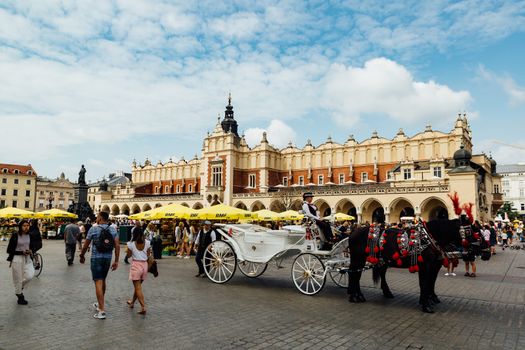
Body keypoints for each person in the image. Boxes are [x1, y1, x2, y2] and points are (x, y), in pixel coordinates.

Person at [79, 211, 120, 320]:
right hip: (107, 258)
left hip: (96, 258)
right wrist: (116, 261)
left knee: (98, 281)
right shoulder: (113, 229)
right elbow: (117, 245)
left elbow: (86, 244)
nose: (96, 218)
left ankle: (101, 310)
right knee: (103, 280)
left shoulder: (93, 229)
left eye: (97, 217)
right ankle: (99, 303)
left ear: (101, 218)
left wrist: (81, 255)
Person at [6, 220, 39, 305]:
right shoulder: (15, 235)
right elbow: (9, 250)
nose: (26, 227)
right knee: (18, 278)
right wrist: (21, 252)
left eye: (27, 225)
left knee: (29, 276)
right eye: (24, 225)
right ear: (20, 227)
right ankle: (20, 296)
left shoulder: (30, 235)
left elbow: (33, 246)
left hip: (28, 258)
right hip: (17, 259)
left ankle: (19, 289)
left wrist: (31, 250)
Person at [126, 227, 151, 315]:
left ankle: (143, 307)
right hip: (145, 266)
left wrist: (130, 251)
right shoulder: (147, 242)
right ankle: (132, 302)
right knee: (138, 287)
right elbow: (148, 255)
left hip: (136, 266)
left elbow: (128, 256)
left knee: (138, 287)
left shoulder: (131, 244)